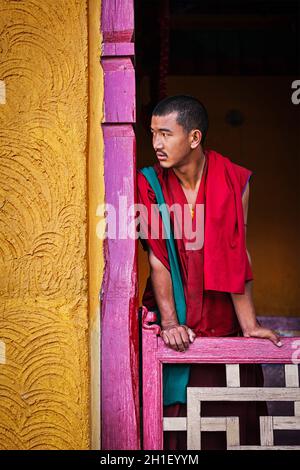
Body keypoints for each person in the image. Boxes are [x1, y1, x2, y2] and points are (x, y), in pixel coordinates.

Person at [137, 95, 281, 450]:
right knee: (176, 431)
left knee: (229, 423)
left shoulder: (234, 180)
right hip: (174, 317)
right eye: (153, 134)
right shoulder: (149, 184)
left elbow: (237, 250)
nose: (156, 144)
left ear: (194, 138)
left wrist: (249, 326)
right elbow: (159, 259)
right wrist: (170, 323)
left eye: (166, 134)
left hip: (222, 318)